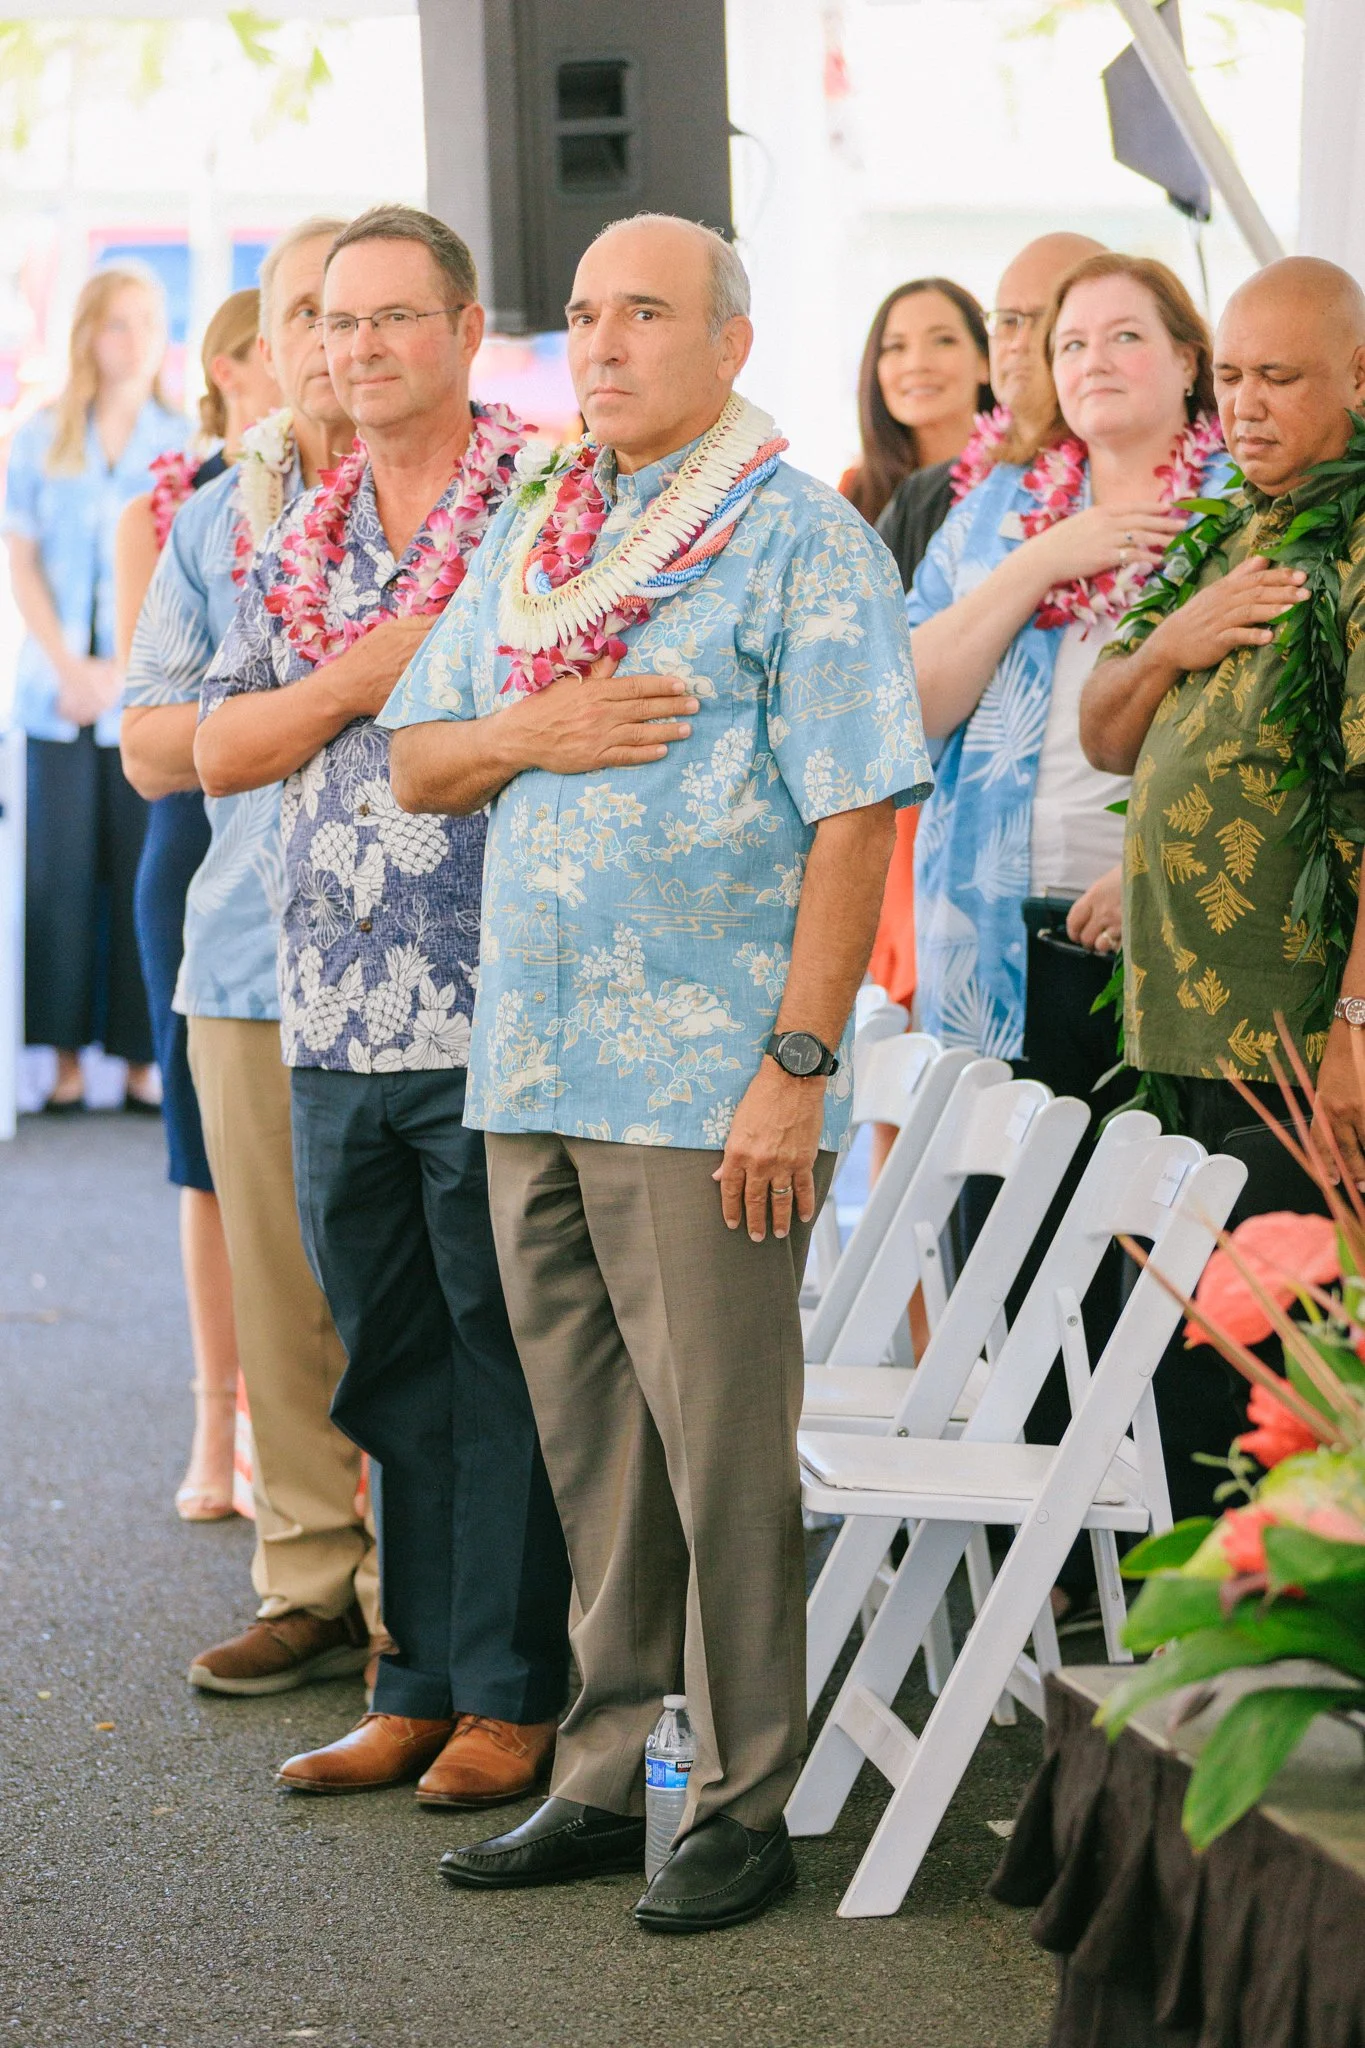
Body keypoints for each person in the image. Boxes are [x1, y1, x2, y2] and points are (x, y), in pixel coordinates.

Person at [382, 212, 930, 1931]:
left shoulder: (800, 541)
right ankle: (608, 1771)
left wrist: (796, 1061)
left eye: (646, 314)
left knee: (722, 1449)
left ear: (734, 344)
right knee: (590, 1448)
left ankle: (748, 1795)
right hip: (529, 1057)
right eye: (586, 316)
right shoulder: (541, 518)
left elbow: (860, 809)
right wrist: (524, 732)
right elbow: (416, 757)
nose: (603, 344)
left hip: (706, 1079)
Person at [194, 204, 572, 1802]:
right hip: (334, 1004)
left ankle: (512, 1690)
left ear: (466, 329)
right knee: (388, 1361)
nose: (359, 350)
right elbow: (216, 748)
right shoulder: (292, 528)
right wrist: (361, 678)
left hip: (504, 998)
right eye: (337, 325)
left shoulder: (548, 507)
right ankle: (410, 1678)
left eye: (393, 319)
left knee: (505, 1356)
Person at [123, 219, 384, 1690]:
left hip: (440, 965)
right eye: (306, 315)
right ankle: (305, 1574)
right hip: (246, 949)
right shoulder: (221, 519)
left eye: (363, 313)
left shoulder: (487, 507)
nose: (336, 342)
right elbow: (152, 745)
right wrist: (320, 705)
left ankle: (434, 1599)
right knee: (280, 1290)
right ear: (267, 349)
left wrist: (248, 729)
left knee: (413, 1294)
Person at [1080, 255, 1365, 1200]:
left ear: (1358, 377)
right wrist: (1170, 643)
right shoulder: (1222, 527)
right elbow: (1103, 735)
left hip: (1302, 1042)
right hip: (1178, 1036)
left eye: (1278, 379)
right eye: (1232, 377)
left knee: (1278, 1333)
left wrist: (1357, 1034)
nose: (1242, 406)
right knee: (1165, 1338)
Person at [117, 287, 279, 1522]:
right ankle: (216, 1415)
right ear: (232, 365)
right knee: (206, 1160)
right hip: (197, 843)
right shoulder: (170, 511)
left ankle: (310, 1422)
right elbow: (156, 729)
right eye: (300, 329)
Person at [867, 237, 1100, 1033]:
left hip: (1141, 913)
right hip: (976, 919)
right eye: (1002, 319)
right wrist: (1038, 561)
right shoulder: (975, 506)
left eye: (1035, 321)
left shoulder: (1199, 493)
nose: (1013, 342)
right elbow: (899, 700)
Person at [2, 265, 185, 1112]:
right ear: (88, 335)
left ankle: (142, 1058)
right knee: (59, 880)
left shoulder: (179, 443)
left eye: (147, 322)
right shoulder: (42, 435)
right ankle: (67, 1059)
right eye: (117, 323)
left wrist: (118, 670)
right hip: (54, 697)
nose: (133, 339)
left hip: (141, 694)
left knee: (141, 871)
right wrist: (71, 668)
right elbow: (23, 561)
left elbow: (178, 578)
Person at [839, 277, 992, 537]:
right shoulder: (855, 491)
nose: (917, 363)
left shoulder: (1024, 478)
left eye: (943, 341)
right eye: (896, 346)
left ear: (985, 361)